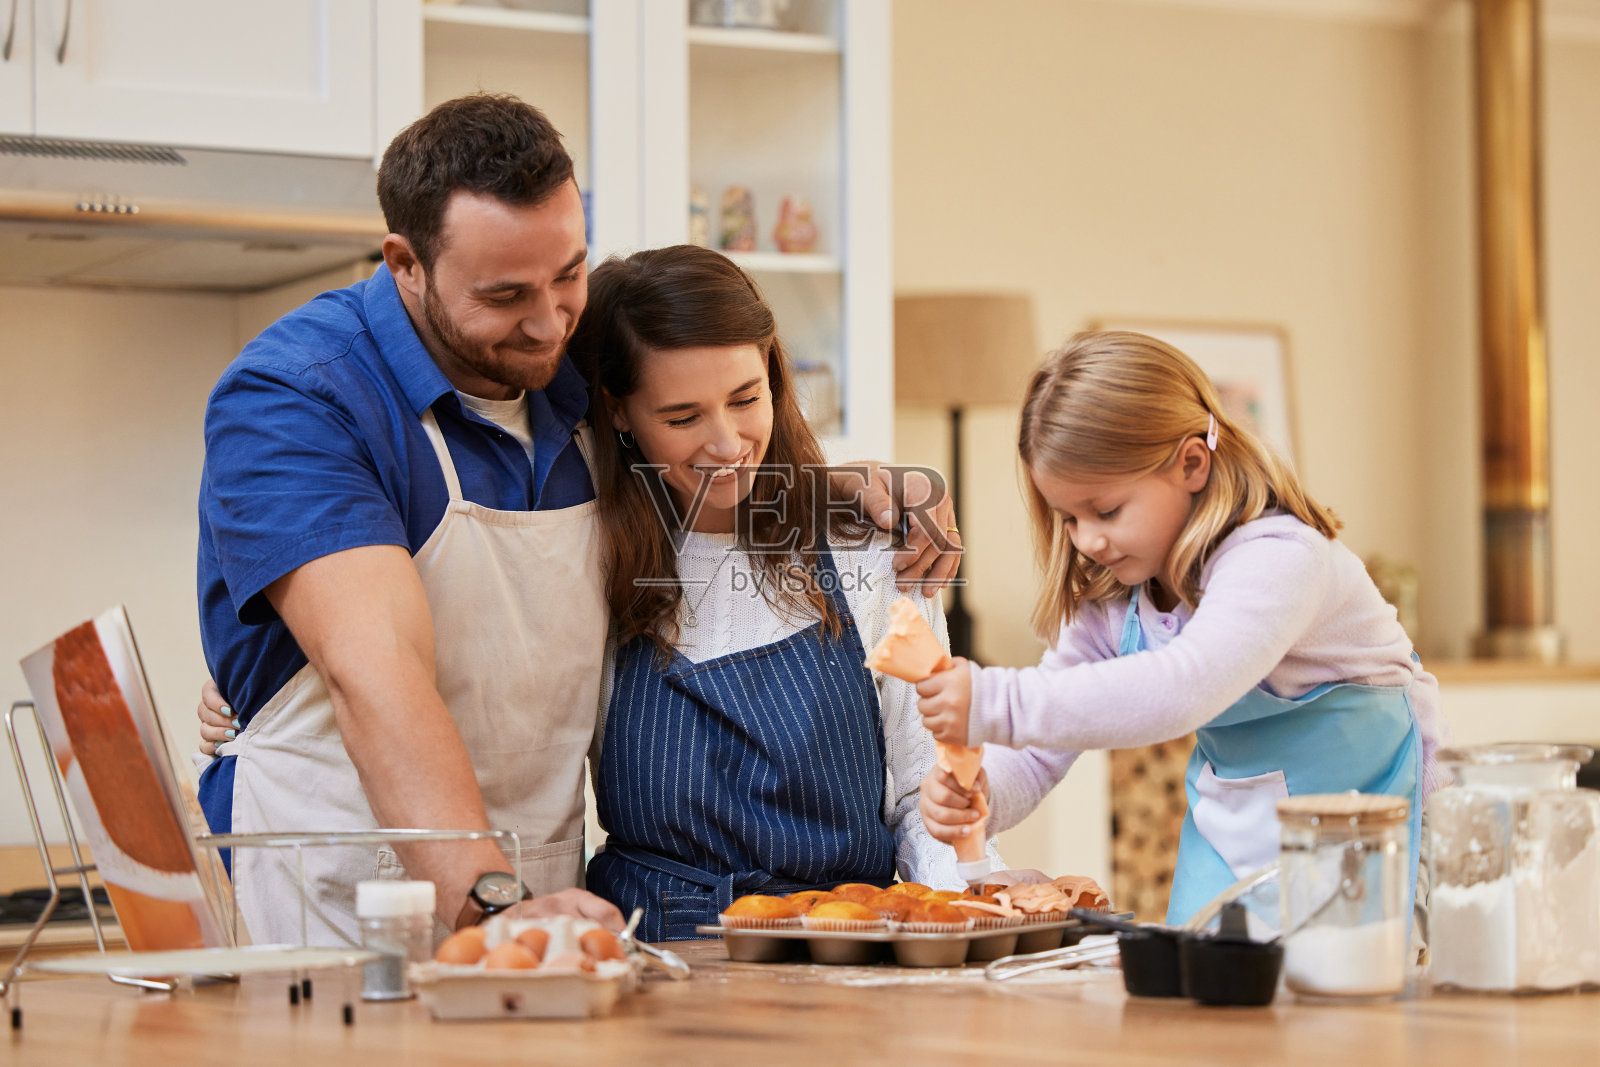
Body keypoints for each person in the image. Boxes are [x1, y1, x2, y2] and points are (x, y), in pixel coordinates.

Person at [195, 93, 956, 947]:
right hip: (347, 895)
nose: (551, 318)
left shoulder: (567, 367)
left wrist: (847, 486)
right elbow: (374, 671)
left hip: (545, 893)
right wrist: (488, 902)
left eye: (568, 274)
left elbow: (703, 422)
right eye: (507, 292)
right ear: (406, 263)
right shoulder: (298, 398)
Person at [914, 330, 1446, 932]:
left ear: (1191, 464)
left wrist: (993, 701)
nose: (1087, 540)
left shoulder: (1280, 557)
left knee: (1332, 1012)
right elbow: (1038, 752)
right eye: (1068, 518)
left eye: (1106, 510)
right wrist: (983, 794)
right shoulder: (1116, 596)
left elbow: (1185, 687)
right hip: (1226, 841)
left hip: (1361, 838)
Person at [566, 246, 997, 940]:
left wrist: (958, 913)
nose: (728, 441)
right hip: (652, 961)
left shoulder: (865, 545)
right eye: (682, 417)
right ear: (619, 411)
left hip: (847, 948)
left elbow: (927, 789)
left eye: (746, 399)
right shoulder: (588, 555)